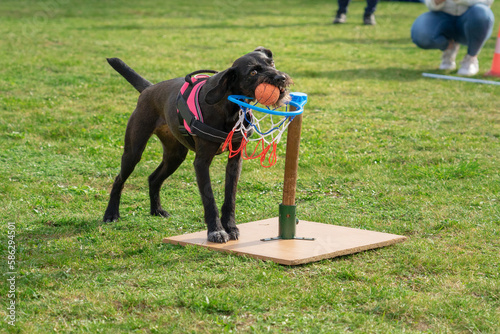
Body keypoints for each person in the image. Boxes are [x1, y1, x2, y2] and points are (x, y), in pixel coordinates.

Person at [411, 0, 495, 76]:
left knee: (481, 13)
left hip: (472, 18)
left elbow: (487, 1)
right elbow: (430, 4)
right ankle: (450, 47)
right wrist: (436, 2)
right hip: (442, 16)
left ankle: (471, 57)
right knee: (421, 32)